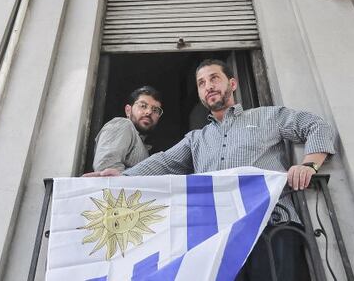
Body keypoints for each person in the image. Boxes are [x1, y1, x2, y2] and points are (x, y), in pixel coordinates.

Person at [93, 59, 335, 280]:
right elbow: (164, 162)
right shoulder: (196, 139)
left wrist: (309, 165)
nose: (208, 86)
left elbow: (315, 125)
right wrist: (121, 176)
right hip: (218, 238)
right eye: (201, 83)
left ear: (232, 83)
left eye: (214, 78)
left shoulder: (267, 116)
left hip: (271, 226)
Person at [84, 86, 163, 176]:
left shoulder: (143, 144)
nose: (149, 112)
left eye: (155, 110)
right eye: (143, 106)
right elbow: (106, 170)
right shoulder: (122, 124)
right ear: (128, 110)